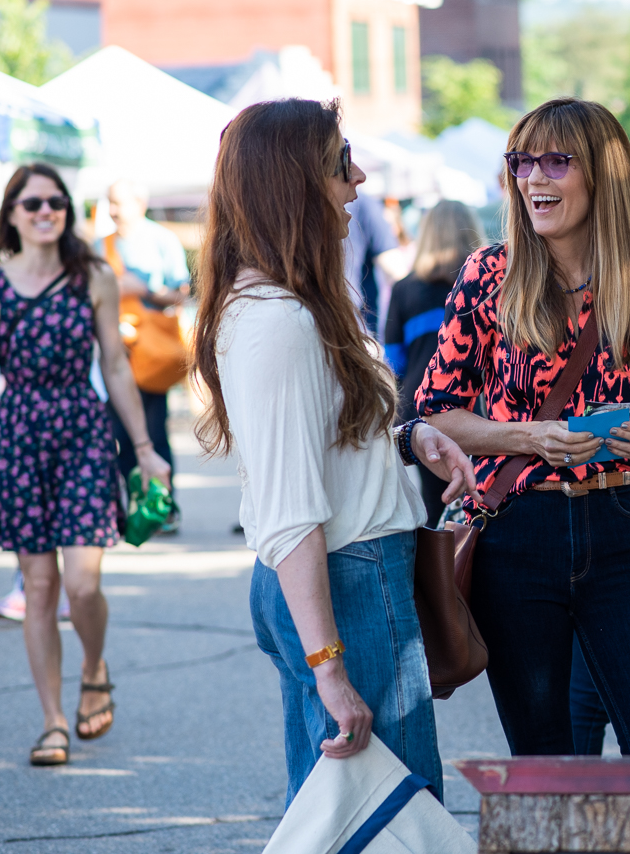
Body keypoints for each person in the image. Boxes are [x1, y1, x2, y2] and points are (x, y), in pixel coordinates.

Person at [192, 98, 474, 805]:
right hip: (346, 582)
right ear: (296, 182)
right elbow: (291, 510)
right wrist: (329, 666)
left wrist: (409, 437)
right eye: (340, 163)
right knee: (392, 816)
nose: (359, 180)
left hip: (346, 577)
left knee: (344, 811)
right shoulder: (278, 320)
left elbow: (324, 439)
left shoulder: (291, 304)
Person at [418, 97, 630, 756]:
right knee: (545, 761)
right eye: (522, 162)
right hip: (518, 536)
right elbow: (436, 409)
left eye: (556, 161)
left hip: (622, 526)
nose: (533, 178)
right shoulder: (491, 274)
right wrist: (528, 437)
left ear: (603, 174)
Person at [0, 163, 171, 767]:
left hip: (82, 432)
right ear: (12, 214)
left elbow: (118, 367)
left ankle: (94, 665)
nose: (46, 212)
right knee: (39, 586)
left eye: (56, 203)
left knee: (82, 583)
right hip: (16, 439)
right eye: (33, 203)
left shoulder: (93, 276)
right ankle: (52, 721)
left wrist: (145, 449)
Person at [383, 200, 485, 527]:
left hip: (423, 413)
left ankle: (446, 574)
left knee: (438, 507)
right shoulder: (487, 284)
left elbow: (393, 362)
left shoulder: (404, 290)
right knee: (485, 499)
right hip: (480, 412)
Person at [98, 180, 189, 532]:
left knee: (153, 431)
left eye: (119, 203)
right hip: (112, 353)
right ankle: (134, 507)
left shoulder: (161, 240)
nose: (114, 210)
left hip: (148, 356)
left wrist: (146, 290)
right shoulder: (99, 245)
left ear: (141, 203)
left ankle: (163, 508)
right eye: (110, 203)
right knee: (117, 433)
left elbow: (180, 293)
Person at [343, 190, 410, 335]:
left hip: (311, 312)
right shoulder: (363, 202)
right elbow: (395, 267)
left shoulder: (300, 200)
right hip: (356, 321)